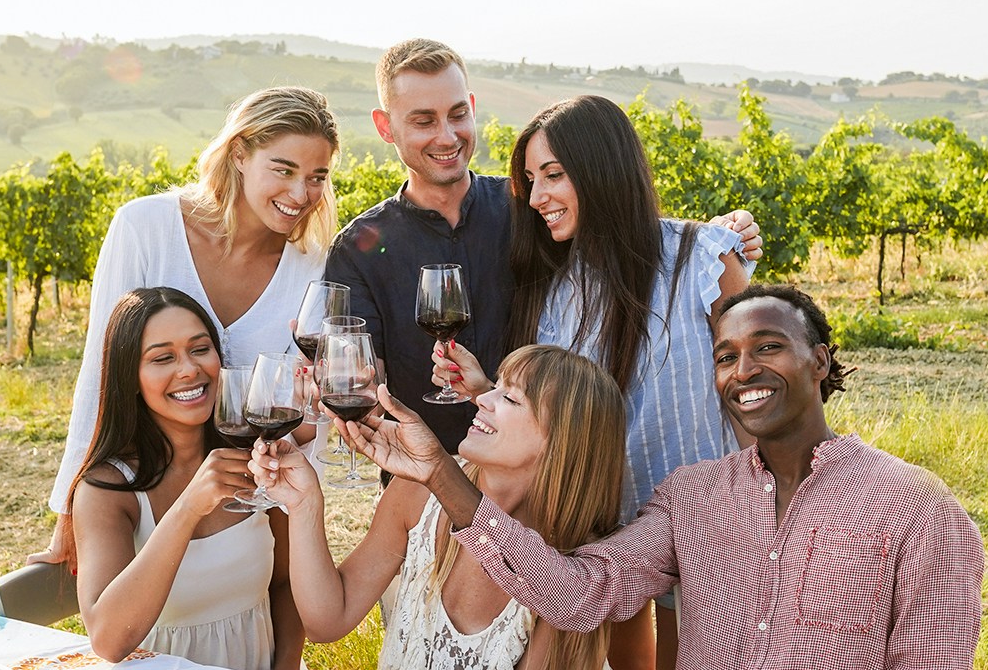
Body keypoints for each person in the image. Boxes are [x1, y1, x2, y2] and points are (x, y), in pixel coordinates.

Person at [344, 285, 985, 670]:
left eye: (768, 347)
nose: (744, 369)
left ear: (819, 361)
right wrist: (439, 472)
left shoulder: (920, 510)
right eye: (726, 356)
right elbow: (576, 595)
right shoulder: (693, 497)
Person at [434, 94, 753, 670]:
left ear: (602, 168)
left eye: (554, 174)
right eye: (530, 179)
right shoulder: (556, 290)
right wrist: (483, 387)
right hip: (610, 521)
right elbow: (557, 408)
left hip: (711, 521)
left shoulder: (701, 257)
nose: (536, 195)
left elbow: (755, 388)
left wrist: (775, 495)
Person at [324, 38, 762, 456]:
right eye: (423, 121)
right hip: (426, 479)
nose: (446, 136)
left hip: (544, 487)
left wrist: (719, 239)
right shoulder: (359, 249)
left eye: (458, 114)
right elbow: (363, 386)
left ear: (472, 108)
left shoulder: (526, 213)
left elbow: (623, 240)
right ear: (385, 126)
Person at [250, 345, 637, 670]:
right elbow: (327, 620)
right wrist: (304, 505)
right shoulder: (416, 498)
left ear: (562, 442)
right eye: (495, 385)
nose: (480, 398)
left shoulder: (572, 564)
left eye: (509, 397)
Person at [36, 86, 338, 568]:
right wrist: (70, 508)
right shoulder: (145, 228)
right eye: (283, 170)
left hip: (249, 510)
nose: (301, 194)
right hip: (145, 498)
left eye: (317, 176)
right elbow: (100, 371)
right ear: (240, 153)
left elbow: (305, 416)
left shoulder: (312, 268)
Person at [71, 287, 312, 670]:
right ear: (130, 377)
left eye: (200, 349)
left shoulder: (257, 458)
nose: (188, 370)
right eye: (163, 358)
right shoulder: (106, 490)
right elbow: (108, 640)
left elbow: (285, 583)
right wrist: (189, 508)